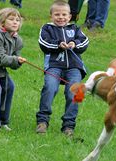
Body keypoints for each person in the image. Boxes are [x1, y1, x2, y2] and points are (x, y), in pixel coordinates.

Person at [36, 0, 89, 136]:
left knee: (74, 93)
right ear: (51, 16)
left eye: (64, 14)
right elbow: (43, 43)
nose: (61, 17)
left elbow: (85, 42)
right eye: (57, 14)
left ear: (69, 16)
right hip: (54, 66)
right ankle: (42, 121)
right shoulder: (47, 28)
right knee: (50, 88)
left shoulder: (75, 29)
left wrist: (74, 43)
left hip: (74, 68)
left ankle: (68, 126)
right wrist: (58, 44)